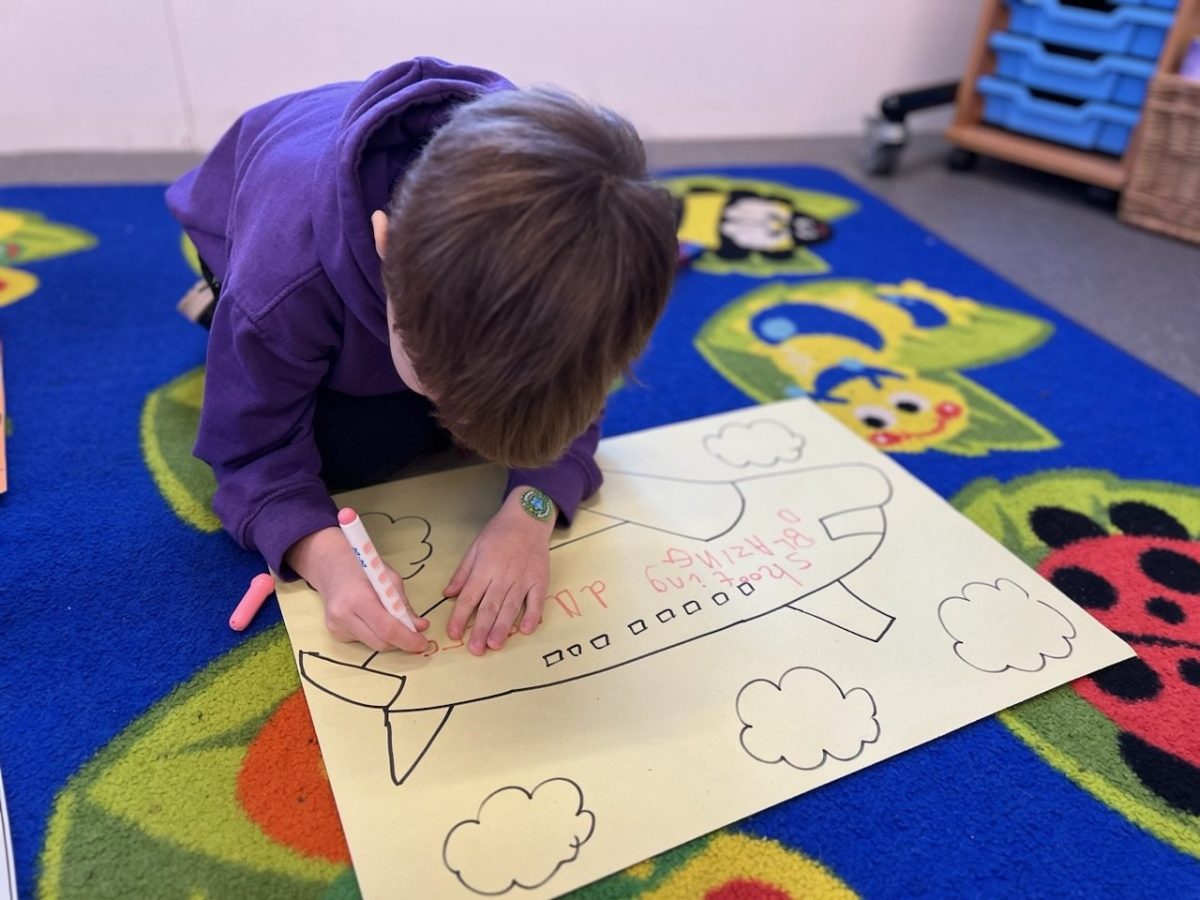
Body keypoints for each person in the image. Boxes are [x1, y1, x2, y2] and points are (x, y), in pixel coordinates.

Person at [166, 57, 678, 657]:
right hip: (244, 229)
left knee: (487, 413)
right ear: (385, 244)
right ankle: (219, 312)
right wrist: (323, 556)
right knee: (354, 451)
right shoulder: (280, 286)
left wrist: (529, 513)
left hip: (365, 272)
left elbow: (570, 387)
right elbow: (251, 451)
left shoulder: (575, 235)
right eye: (438, 385)